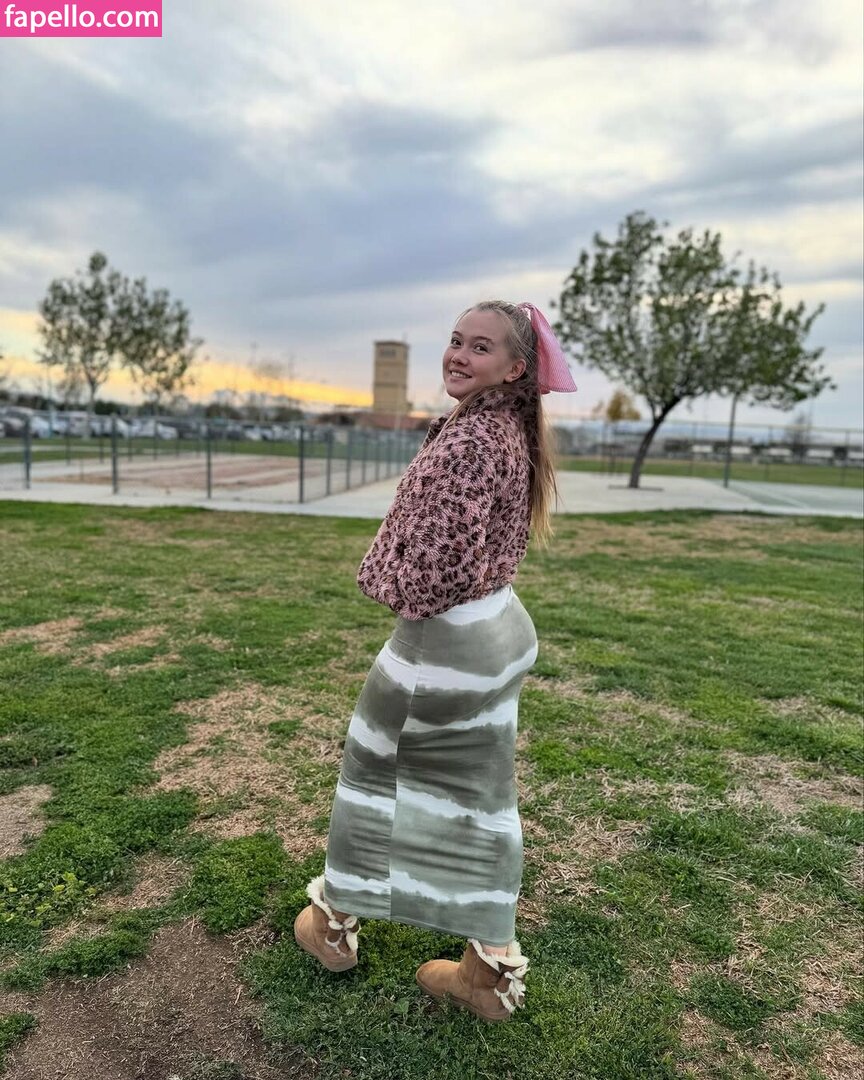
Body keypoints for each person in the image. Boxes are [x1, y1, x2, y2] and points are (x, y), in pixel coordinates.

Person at [294, 300, 578, 1021]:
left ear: (513, 368)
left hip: (444, 647)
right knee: (478, 799)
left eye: (480, 346)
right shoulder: (506, 428)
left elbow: (429, 577)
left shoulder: (470, 441)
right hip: (493, 632)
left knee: (372, 776)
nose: (458, 354)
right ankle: (488, 973)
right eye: (455, 340)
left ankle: (331, 926)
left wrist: (378, 578)